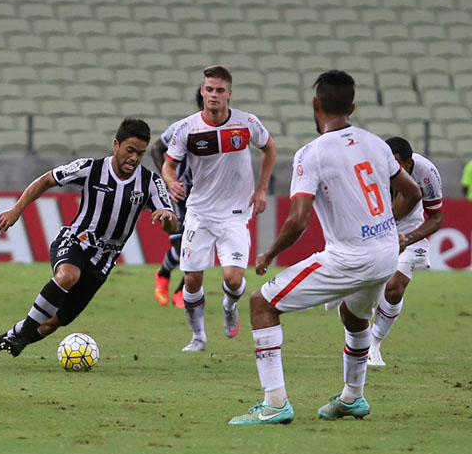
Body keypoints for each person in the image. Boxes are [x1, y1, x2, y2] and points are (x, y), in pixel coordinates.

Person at [229, 70, 422, 425]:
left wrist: (269, 254)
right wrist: (388, 226)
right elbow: (413, 192)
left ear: (315, 104)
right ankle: (352, 397)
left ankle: (275, 403)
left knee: (262, 303)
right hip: (385, 255)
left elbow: (298, 220)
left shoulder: (311, 154)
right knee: (354, 316)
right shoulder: (376, 144)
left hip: (350, 258)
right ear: (352, 107)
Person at [0, 118, 178, 367]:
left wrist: (167, 218)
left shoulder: (151, 182)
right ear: (116, 145)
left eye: (141, 153)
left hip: (103, 263)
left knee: (51, 323)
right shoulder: (90, 168)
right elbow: (46, 179)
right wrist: (16, 210)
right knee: (68, 275)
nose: (134, 158)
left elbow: (171, 224)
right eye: (130, 150)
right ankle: (22, 335)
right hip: (75, 242)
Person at [162, 65, 277, 352]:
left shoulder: (246, 123)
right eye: (209, 89)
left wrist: (262, 188)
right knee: (191, 279)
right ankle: (198, 337)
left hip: (235, 213)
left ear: (229, 93)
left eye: (220, 90)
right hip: (199, 212)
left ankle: (230, 304)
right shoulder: (186, 128)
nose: (214, 95)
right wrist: (172, 182)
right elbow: (168, 164)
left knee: (233, 279)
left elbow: (269, 148)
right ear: (202, 91)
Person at [368, 137, 443, 366]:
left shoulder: (426, 172)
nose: (389, 168)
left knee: (394, 288)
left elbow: (436, 218)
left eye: (396, 163)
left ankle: (373, 344)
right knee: (366, 291)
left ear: (409, 164)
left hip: (410, 232)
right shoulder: (370, 169)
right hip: (376, 229)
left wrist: (408, 239)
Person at [151, 87, 203, 309]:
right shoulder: (183, 127)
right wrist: (168, 180)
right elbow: (156, 149)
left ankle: (182, 290)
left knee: (202, 246)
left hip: (209, 196)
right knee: (183, 242)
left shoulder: (227, 132)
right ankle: (164, 274)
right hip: (181, 192)